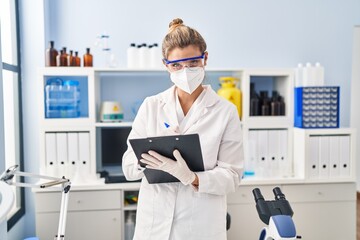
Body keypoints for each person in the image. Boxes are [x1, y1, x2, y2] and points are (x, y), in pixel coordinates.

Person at [122, 18, 244, 240]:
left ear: (205, 58)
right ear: (166, 65)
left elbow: (232, 175)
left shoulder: (225, 112)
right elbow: (128, 168)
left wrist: (192, 177)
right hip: (154, 226)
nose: (185, 71)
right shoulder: (152, 106)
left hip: (200, 227)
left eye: (192, 64)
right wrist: (147, 158)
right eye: (176, 65)